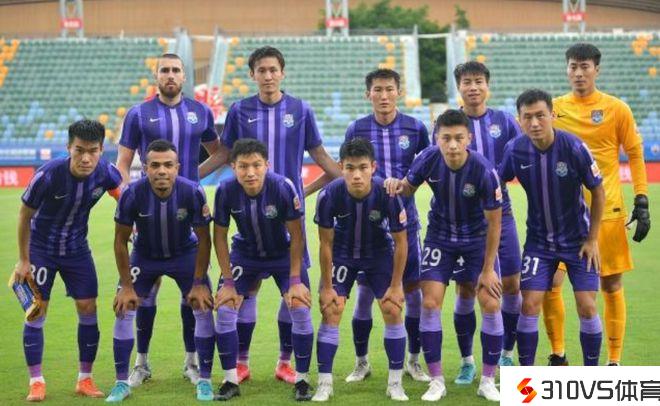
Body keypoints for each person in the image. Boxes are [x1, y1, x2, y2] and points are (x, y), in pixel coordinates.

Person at [219, 46, 341, 384]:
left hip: (289, 218)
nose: (268, 76)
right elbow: (225, 155)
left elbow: (322, 157)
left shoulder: (300, 110)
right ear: (252, 75)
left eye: (273, 70)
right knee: (247, 291)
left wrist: (341, 183)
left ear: (282, 73)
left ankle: (285, 363)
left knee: (294, 294)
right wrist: (187, 178)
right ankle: (241, 363)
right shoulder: (239, 110)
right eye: (262, 70)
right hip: (248, 216)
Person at [116, 53, 225, 386]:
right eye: (164, 70)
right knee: (144, 294)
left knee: (192, 292)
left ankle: (191, 362)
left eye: (176, 70)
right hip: (148, 208)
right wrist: (128, 199)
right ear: (156, 75)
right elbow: (123, 163)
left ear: (184, 76)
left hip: (187, 210)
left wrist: (194, 178)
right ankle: (141, 363)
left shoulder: (200, 111)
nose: (170, 75)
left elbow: (220, 152)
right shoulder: (138, 113)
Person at [385, 109, 503, 402]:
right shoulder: (428, 158)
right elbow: (407, 189)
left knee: (490, 302)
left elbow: (495, 223)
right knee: (429, 303)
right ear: (437, 138)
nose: (452, 145)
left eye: (458, 138)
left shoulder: (484, 170)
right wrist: (394, 184)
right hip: (440, 238)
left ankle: (488, 380)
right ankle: (437, 381)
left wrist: (488, 269)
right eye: (446, 138)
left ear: (469, 139)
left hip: (476, 240)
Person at [544, 43, 650, 366]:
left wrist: (642, 199)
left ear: (596, 70)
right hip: (563, 216)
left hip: (608, 213)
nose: (578, 73)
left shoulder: (616, 109)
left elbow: (635, 153)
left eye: (585, 66)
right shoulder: (553, 109)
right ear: (566, 69)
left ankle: (613, 361)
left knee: (611, 283)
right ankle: (558, 354)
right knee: (551, 283)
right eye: (573, 66)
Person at [188, 138, 314, 401]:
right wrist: (228, 283)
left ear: (267, 165)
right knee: (225, 307)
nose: (250, 172)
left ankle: (301, 379)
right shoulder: (225, 190)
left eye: (256, 165)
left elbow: (297, 234)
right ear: (233, 167)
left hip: (282, 253)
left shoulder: (282, 186)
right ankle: (230, 379)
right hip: (245, 254)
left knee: (300, 305)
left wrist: (294, 279)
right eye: (243, 166)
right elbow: (219, 237)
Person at [13, 119, 122, 401]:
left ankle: (85, 379)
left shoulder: (106, 172)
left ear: (101, 150)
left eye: (93, 151)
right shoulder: (48, 175)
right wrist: (23, 260)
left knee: (88, 307)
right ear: (68, 148)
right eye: (79, 150)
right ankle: (36, 381)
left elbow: (122, 196)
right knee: (37, 311)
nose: (86, 158)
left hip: (77, 250)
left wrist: (131, 224)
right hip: (41, 249)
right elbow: (24, 215)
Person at [499, 88, 605, 367]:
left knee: (587, 306)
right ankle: (527, 379)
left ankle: (592, 375)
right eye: (527, 117)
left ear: (552, 115)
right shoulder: (515, 149)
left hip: (578, 242)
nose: (534, 123)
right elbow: (496, 182)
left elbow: (598, 191)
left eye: (540, 116)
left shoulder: (574, 147)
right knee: (529, 304)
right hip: (539, 243)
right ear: (519, 120)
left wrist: (593, 239)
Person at [339, 68, 430, 383]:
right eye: (377, 90)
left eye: (389, 89)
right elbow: (349, 171)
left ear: (399, 92)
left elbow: (426, 168)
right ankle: (361, 362)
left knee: (412, 293)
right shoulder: (357, 129)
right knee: (365, 294)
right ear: (368, 94)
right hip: (369, 228)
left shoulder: (416, 128)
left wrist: (406, 184)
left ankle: (413, 361)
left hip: (407, 223)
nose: (384, 95)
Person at [107, 140, 214, 402]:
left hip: (184, 254)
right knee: (124, 307)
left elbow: (204, 239)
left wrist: (199, 282)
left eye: (168, 165)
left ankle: (201, 375)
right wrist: (126, 286)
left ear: (178, 168)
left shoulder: (193, 192)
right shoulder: (132, 194)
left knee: (202, 304)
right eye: (155, 165)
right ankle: (126, 378)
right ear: (145, 168)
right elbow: (120, 241)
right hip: (145, 255)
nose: (162, 170)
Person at [313, 137, 409, 402]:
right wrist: (327, 287)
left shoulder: (388, 194)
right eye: (350, 168)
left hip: (378, 255)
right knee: (331, 309)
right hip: (343, 255)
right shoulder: (329, 195)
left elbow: (401, 243)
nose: (357, 175)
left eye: (363, 168)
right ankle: (324, 384)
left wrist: (396, 286)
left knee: (392, 308)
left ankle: (395, 383)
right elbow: (325, 244)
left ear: (373, 167)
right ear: (341, 167)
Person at [453, 61, 523, 373]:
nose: (473, 87)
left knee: (511, 284)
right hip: (464, 219)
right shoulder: (450, 122)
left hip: (501, 212)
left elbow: (523, 155)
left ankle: (506, 351)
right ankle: (467, 361)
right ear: (459, 87)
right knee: (466, 288)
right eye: (467, 82)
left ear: (487, 85)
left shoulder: (505, 121)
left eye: (478, 81)